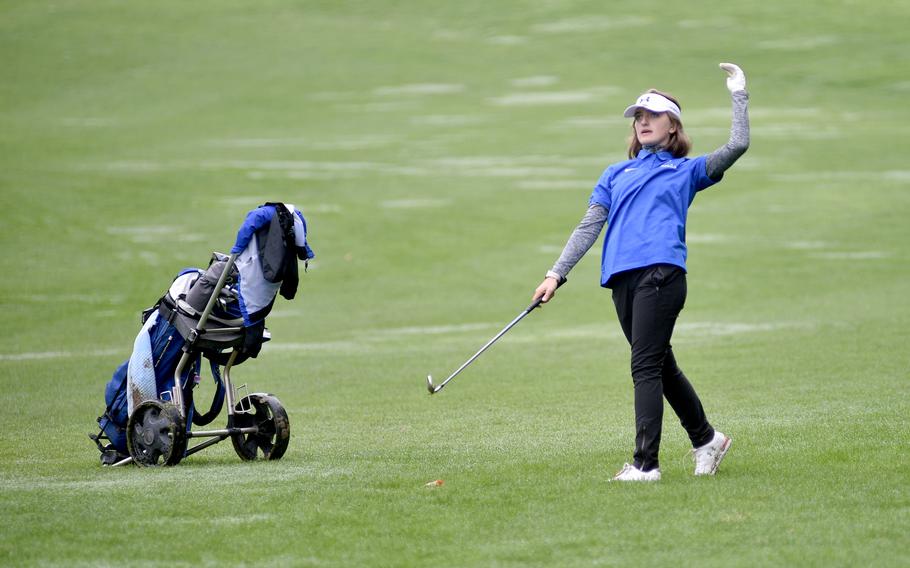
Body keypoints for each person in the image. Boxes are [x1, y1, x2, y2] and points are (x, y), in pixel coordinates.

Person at [532, 63, 750, 481]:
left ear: (673, 126)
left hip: (662, 275)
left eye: (652, 115)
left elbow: (737, 145)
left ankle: (645, 464)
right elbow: (589, 225)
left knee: (644, 366)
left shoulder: (687, 171)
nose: (643, 122)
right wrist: (555, 274)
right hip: (622, 281)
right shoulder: (615, 174)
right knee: (660, 363)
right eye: (638, 117)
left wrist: (738, 94)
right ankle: (708, 440)